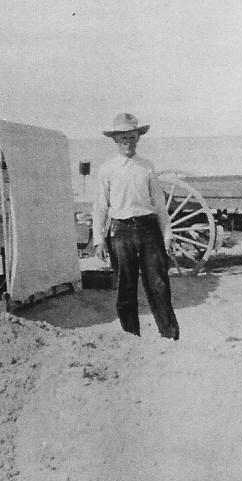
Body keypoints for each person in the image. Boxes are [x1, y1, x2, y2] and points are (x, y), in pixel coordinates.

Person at [91, 112, 180, 340]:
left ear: (138, 138)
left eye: (131, 137)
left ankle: (169, 335)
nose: (127, 142)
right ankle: (131, 337)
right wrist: (99, 240)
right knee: (125, 286)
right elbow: (100, 207)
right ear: (115, 140)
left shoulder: (147, 167)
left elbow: (160, 206)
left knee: (158, 284)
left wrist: (167, 235)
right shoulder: (107, 169)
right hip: (120, 232)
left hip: (148, 229)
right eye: (122, 138)